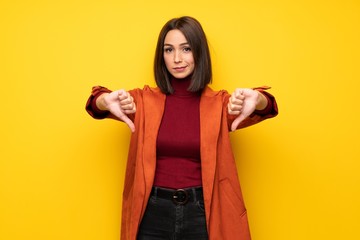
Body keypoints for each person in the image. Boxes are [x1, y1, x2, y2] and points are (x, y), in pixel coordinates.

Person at [86, 16, 278, 240]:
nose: (177, 58)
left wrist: (258, 98)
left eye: (186, 49)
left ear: (199, 52)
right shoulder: (143, 100)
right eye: (169, 50)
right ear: (162, 56)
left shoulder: (220, 104)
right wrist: (104, 100)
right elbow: (96, 104)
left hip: (203, 213)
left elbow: (267, 107)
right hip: (152, 213)